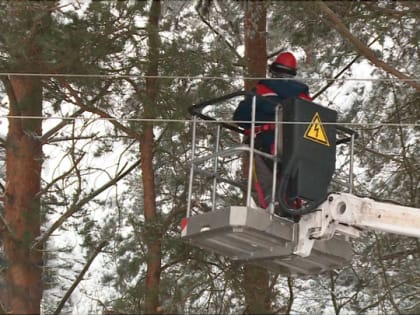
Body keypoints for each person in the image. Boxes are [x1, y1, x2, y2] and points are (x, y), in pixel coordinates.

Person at [233, 52, 311, 213]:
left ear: (273, 71)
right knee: (292, 181)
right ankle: (293, 206)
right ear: (293, 73)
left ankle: (273, 205)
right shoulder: (304, 98)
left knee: (267, 180)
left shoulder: (263, 90)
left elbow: (240, 117)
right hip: (301, 148)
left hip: (267, 143)